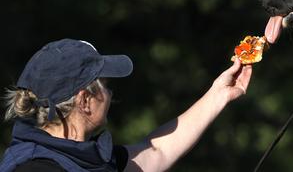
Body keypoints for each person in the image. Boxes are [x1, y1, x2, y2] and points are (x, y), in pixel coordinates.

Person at [0, 38, 252, 171]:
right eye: (106, 86)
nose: (110, 95)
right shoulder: (34, 169)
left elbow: (157, 152)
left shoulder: (86, 158)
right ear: (84, 100)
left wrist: (219, 93)